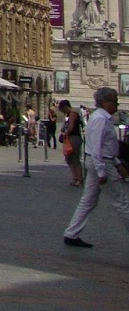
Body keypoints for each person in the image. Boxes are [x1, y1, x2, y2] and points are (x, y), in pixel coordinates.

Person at [62, 87, 126, 248]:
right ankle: (71, 232)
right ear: (105, 102)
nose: (117, 104)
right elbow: (96, 147)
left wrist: (117, 163)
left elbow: (106, 146)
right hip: (101, 162)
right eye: (114, 101)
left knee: (88, 200)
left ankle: (71, 233)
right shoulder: (100, 119)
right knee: (120, 201)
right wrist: (102, 170)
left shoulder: (102, 117)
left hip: (102, 161)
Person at [57, 99, 84, 187]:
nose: (62, 111)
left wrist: (65, 134)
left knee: (75, 159)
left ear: (65, 107)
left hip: (74, 137)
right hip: (69, 138)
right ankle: (75, 178)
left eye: (62, 109)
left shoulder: (73, 114)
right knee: (69, 159)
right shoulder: (68, 115)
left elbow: (71, 127)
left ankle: (79, 179)